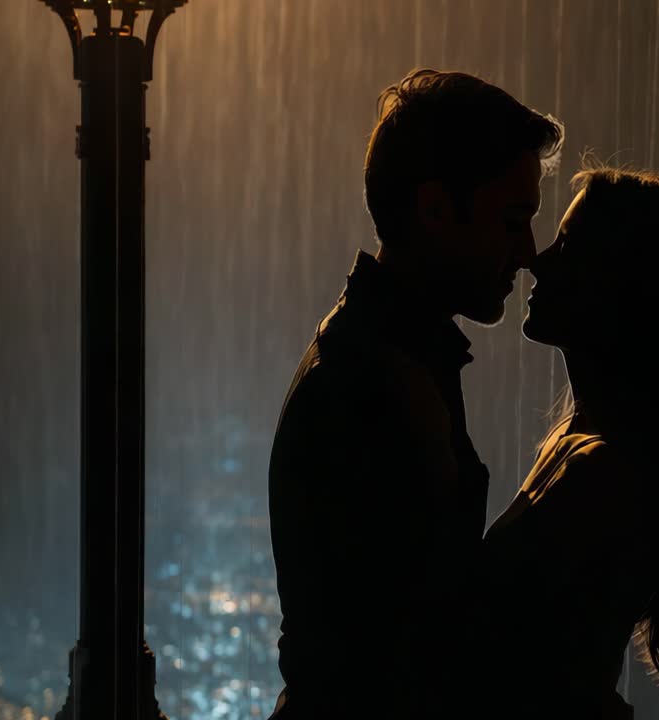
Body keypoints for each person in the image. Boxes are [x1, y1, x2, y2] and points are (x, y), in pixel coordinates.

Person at [266, 68, 563, 719]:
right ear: (434, 209)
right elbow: (402, 658)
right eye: (513, 220)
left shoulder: (376, 356)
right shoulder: (376, 384)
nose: (529, 251)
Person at [474, 165, 659, 719]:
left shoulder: (601, 473)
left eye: (568, 246)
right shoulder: (580, 447)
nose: (538, 261)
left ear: (622, 286)